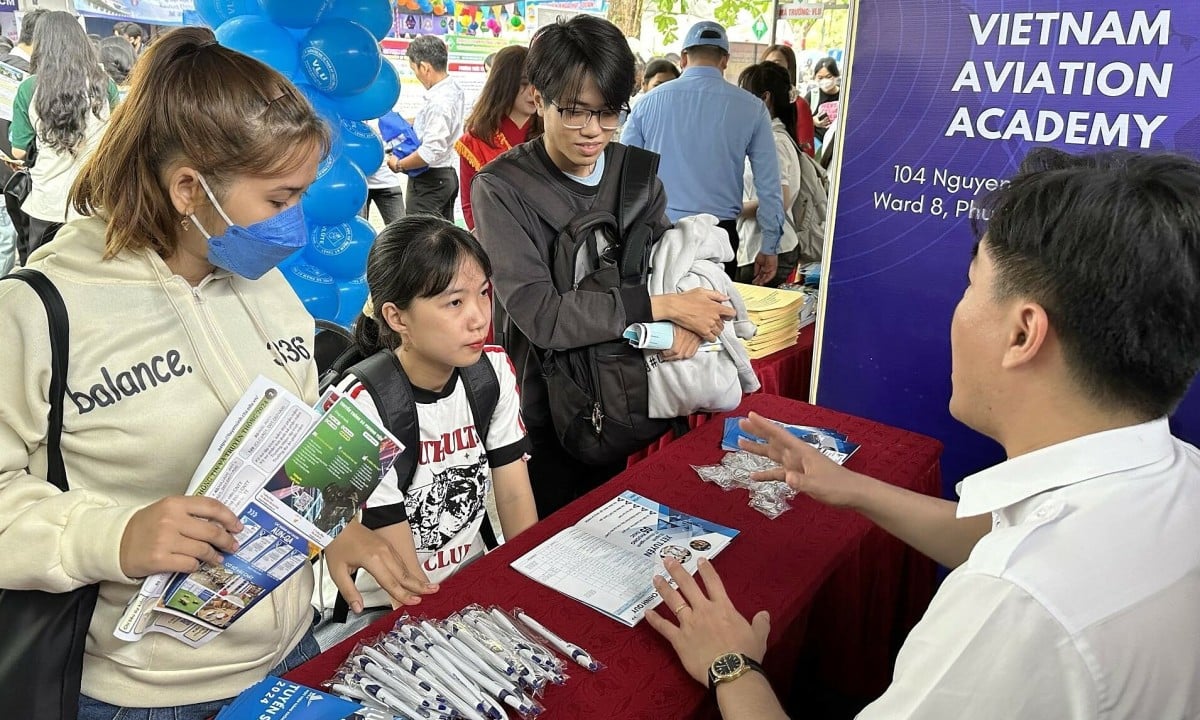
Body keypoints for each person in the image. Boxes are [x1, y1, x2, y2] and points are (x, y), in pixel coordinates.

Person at [644, 149, 1200, 719]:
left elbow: (1018, 563)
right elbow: (1000, 530)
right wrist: (851, 489)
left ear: (1023, 332)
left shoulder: (1012, 609)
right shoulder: (1177, 474)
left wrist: (732, 667)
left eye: (971, 286)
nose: (956, 312)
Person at [0, 27, 434, 720]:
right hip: (136, 695)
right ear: (187, 189)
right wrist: (113, 536)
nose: (296, 224)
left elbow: (280, 446)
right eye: (279, 199)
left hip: (286, 654)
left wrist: (326, 527)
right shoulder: (38, 310)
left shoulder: (261, 281)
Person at [470, 15, 735, 517]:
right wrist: (664, 308)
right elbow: (544, 316)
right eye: (573, 111)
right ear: (537, 98)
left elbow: (668, 271)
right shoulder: (502, 189)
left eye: (608, 112)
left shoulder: (636, 177)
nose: (592, 130)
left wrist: (686, 325)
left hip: (630, 392)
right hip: (546, 411)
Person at [317, 215, 537, 611]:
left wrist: (530, 581)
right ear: (397, 318)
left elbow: (515, 490)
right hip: (386, 604)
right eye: (454, 302)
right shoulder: (361, 405)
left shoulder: (493, 371)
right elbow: (405, 578)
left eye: (484, 293)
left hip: (470, 576)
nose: (479, 317)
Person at [622, 21, 784, 284]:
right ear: (725, 60)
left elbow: (628, 174)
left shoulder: (646, 103)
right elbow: (769, 185)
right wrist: (770, 245)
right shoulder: (753, 109)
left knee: (660, 315)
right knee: (717, 319)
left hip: (660, 231)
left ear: (684, 57)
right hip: (719, 236)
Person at [10, 11, 120, 253]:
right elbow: (117, 136)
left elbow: (18, 151)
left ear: (42, 43)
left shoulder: (29, 88)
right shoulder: (105, 84)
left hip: (47, 203)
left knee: (44, 271)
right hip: (94, 200)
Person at [455, 45, 541, 231]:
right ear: (505, 84)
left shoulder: (550, 136)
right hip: (496, 240)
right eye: (524, 83)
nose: (533, 92)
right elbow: (469, 206)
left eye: (537, 84)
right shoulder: (475, 142)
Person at [734, 63, 805, 286]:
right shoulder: (771, 136)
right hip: (759, 247)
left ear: (764, 98)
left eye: (744, 93)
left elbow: (779, 201)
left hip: (765, 250)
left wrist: (733, 208)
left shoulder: (773, 141)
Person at [388, 35, 463, 221]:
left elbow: (429, 152)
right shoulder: (452, 89)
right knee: (442, 238)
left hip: (429, 182)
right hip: (446, 177)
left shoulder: (439, 101)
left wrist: (398, 165)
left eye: (415, 70)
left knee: (419, 240)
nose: (417, 76)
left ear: (425, 67)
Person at [760, 44, 815, 157]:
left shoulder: (799, 104)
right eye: (766, 63)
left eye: (776, 63)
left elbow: (807, 151)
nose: (770, 69)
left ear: (789, 68)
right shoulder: (758, 101)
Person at [809, 56, 840, 144]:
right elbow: (798, 118)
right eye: (820, 77)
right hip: (817, 145)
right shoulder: (812, 95)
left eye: (828, 76)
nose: (824, 81)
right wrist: (813, 121)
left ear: (836, 75)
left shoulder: (845, 95)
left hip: (837, 145)